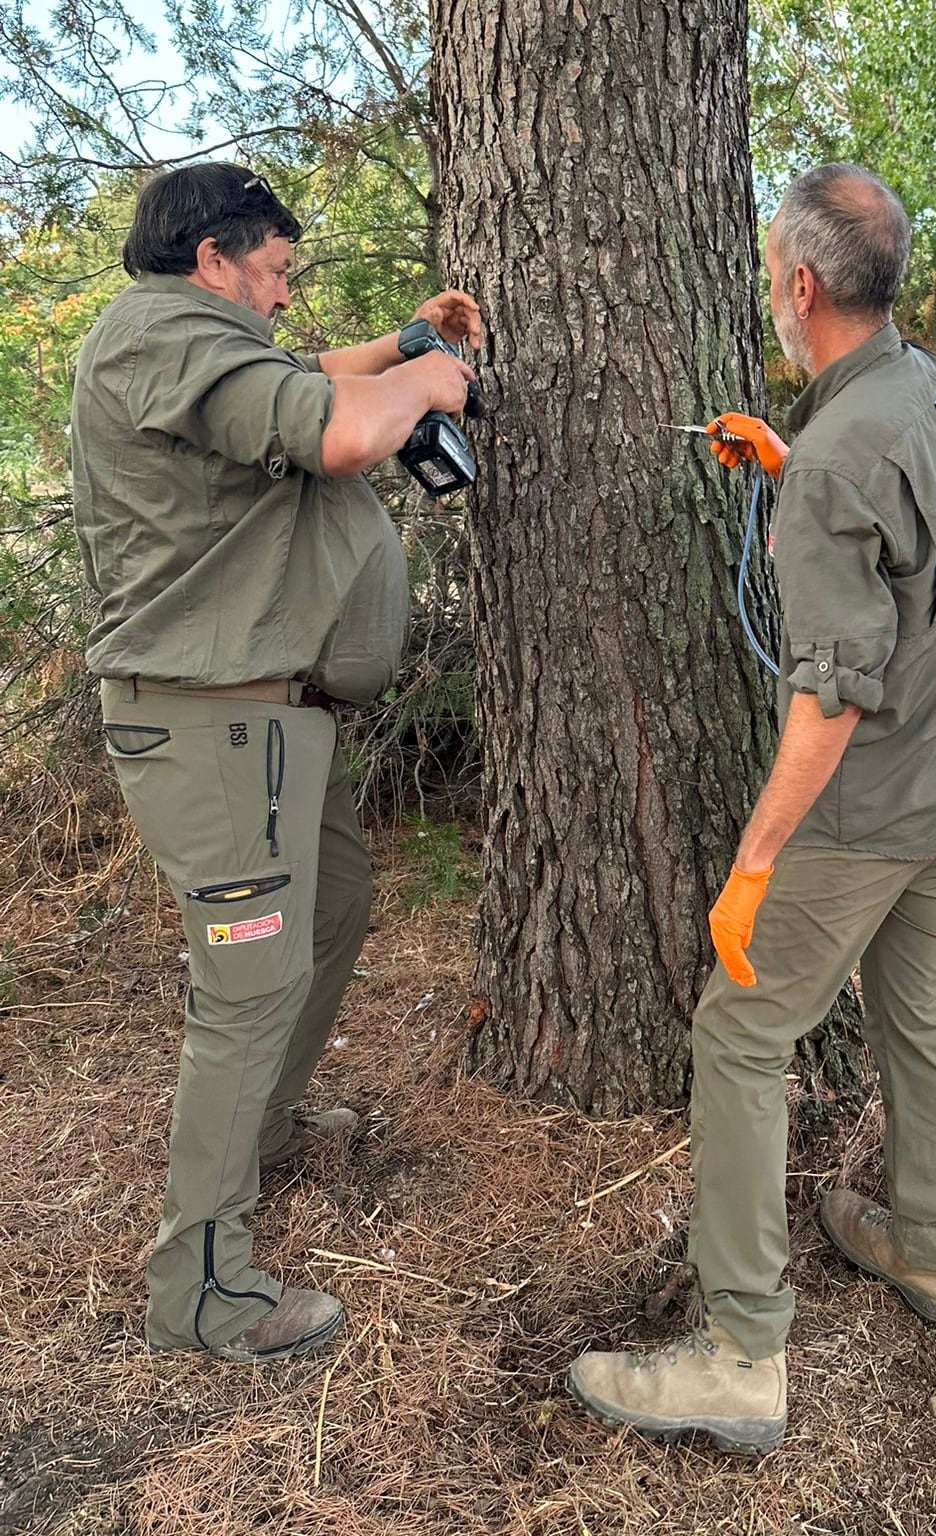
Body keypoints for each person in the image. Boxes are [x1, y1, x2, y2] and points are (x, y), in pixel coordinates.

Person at [566, 164, 936, 1453]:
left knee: (741, 1032)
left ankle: (740, 1352)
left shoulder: (838, 455)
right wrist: (785, 466)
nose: (773, 290)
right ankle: (935, 1249)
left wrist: (756, 862)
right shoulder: (927, 388)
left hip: (865, 806)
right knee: (914, 1013)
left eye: (773, 272)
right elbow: (908, 556)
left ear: (800, 286)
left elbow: (825, 703)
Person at [71, 163, 481, 1362]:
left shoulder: (194, 340)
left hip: (268, 729)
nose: (286, 299)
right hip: (215, 730)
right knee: (243, 992)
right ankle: (200, 1287)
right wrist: (429, 377)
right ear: (214, 259)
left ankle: (268, 1121)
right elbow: (345, 430)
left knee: (337, 905)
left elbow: (300, 383)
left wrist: (404, 340)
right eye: (278, 274)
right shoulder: (159, 333)